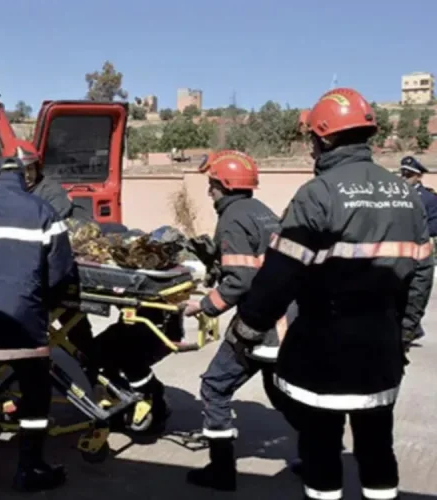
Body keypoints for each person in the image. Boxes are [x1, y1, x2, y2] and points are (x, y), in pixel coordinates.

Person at [231, 88, 434, 500]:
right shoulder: (406, 195)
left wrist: (247, 327)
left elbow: (279, 275)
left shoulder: (317, 194)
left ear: (322, 138)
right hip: (380, 345)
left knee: (321, 449)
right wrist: (404, 330)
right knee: (378, 446)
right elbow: (423, 272)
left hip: (323, 348)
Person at [10, 140, 168, 433]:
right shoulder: (17, 194)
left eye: (30, 168)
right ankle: (99, 377)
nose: (27, 174)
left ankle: (109, 384)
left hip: (57, 278)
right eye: (22, 169)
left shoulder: (50, 194)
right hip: (52, 282)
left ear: (37, 167)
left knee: (77, 341)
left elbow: (47, 234)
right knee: (76, 340)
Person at [0, 155, 77, 493]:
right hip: (22, 322)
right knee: (35, 396)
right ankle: (29, 470)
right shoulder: (42, 212)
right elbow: (61, 270)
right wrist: (38, 299)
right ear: (24, 179)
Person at [181, 150, 298, 492]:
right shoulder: (263, 213)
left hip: (261, 325)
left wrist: (204, 305)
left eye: (212, 183)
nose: (209, 191)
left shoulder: (232, 218)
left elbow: (241, 280)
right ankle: (320, 453)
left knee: (215, 386)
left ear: (224, 184)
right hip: (286, 321)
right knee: (281, 393)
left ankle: (220, 471)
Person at [399, 156, 437, 343]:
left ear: (418, 176)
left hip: (418, 248)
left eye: (409, 174)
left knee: (414, 288)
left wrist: (418, 232)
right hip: (397, 248)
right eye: (403, 173)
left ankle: (412, 327)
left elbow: (435, 224)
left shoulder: (429, 198)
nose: (404, 177)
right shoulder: (394, 194)